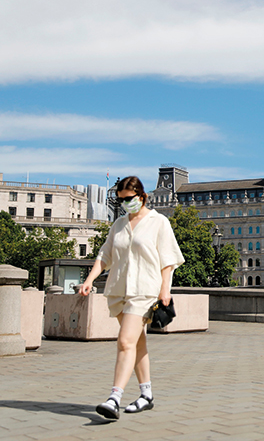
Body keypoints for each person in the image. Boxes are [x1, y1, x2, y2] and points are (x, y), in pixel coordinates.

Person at [79, 176, 184, 420]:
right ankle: (146, 395)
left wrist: (165, 290)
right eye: (121, 200)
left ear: (141, 196)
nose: (125, 203)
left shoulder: (159, 222)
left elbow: (168, 260)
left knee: (125, 342)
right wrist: (89, 280)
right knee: (137, 344)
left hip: (145, 290)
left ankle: (114, 397)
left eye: (128, 199)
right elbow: (104, 256)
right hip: (119, 289)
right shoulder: (118, 224)